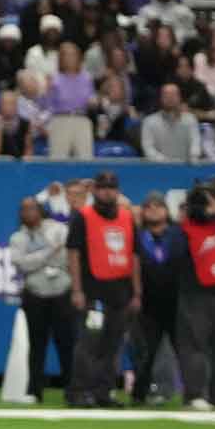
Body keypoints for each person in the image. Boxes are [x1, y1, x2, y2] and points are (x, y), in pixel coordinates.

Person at [65, 172, 139, 408]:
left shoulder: (127, 217)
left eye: (112, 188)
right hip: (92, 291)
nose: (107, 192)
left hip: (120, 291)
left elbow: (134, 256)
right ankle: (79, 391)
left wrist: (136, 292)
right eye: (103, 187)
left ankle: (103, 392)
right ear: (95, 190)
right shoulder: (83, 217)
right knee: (90, 342)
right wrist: (77, 290)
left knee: (113, 343)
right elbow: (73, 253)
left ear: (117, 191)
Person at [170, 180, 215, 411]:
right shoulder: (184, 228)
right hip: (195, 294)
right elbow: (174, 255)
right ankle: (195, 394)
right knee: (194, 346)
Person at [9, 196, 75, 404]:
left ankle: (72, 389)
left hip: (62, 291)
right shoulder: (17, 238)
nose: (28, 213)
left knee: (66, 343)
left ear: (40, 211)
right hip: (35, 294)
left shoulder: (57, 229)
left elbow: (65, 257)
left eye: (32, 209)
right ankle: (34, 391)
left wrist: (39, 257)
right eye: (24, 209)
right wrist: (48, 252)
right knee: (37, 345)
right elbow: (21, 264)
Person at [130, 192, 179, 407]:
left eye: (158, 206)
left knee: (183, 350)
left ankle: (194, 393)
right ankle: (140, 394)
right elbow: (132, 265)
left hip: (176, 300)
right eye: (149, 206)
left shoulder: (177, 235)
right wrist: (136, 294)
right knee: (146, 350)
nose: (154, 210)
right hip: (147, 303)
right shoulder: (137, 236)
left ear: (167, 211)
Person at [141, 83, 203, 161]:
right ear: (160, 98)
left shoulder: (190, 119)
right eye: (166, 95)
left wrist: (192, 158)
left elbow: (195, 144)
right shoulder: (149, 121)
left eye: (173, 95)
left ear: (180, 98)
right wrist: (168, 162)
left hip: (186, 167)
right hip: (160, 168)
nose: (170, 98)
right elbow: (149, 150)